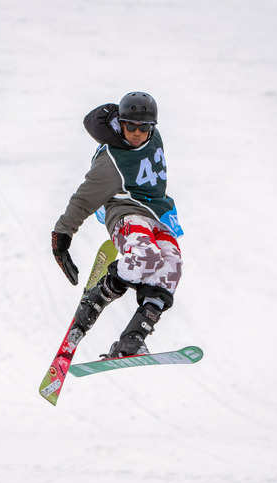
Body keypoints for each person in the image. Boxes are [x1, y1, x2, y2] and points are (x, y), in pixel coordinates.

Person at [51, 92, 184, 358]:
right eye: (130, 126)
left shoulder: (152, 137)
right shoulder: (111, 161)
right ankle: (102, 292)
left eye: (144, 128)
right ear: (120, 124)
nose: (136, 133)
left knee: (171, 266)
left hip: (158, 213)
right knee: (145, 257)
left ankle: (133, 338)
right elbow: (83, 200)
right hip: (125, 214)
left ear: (152, 127)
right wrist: (62, 236)